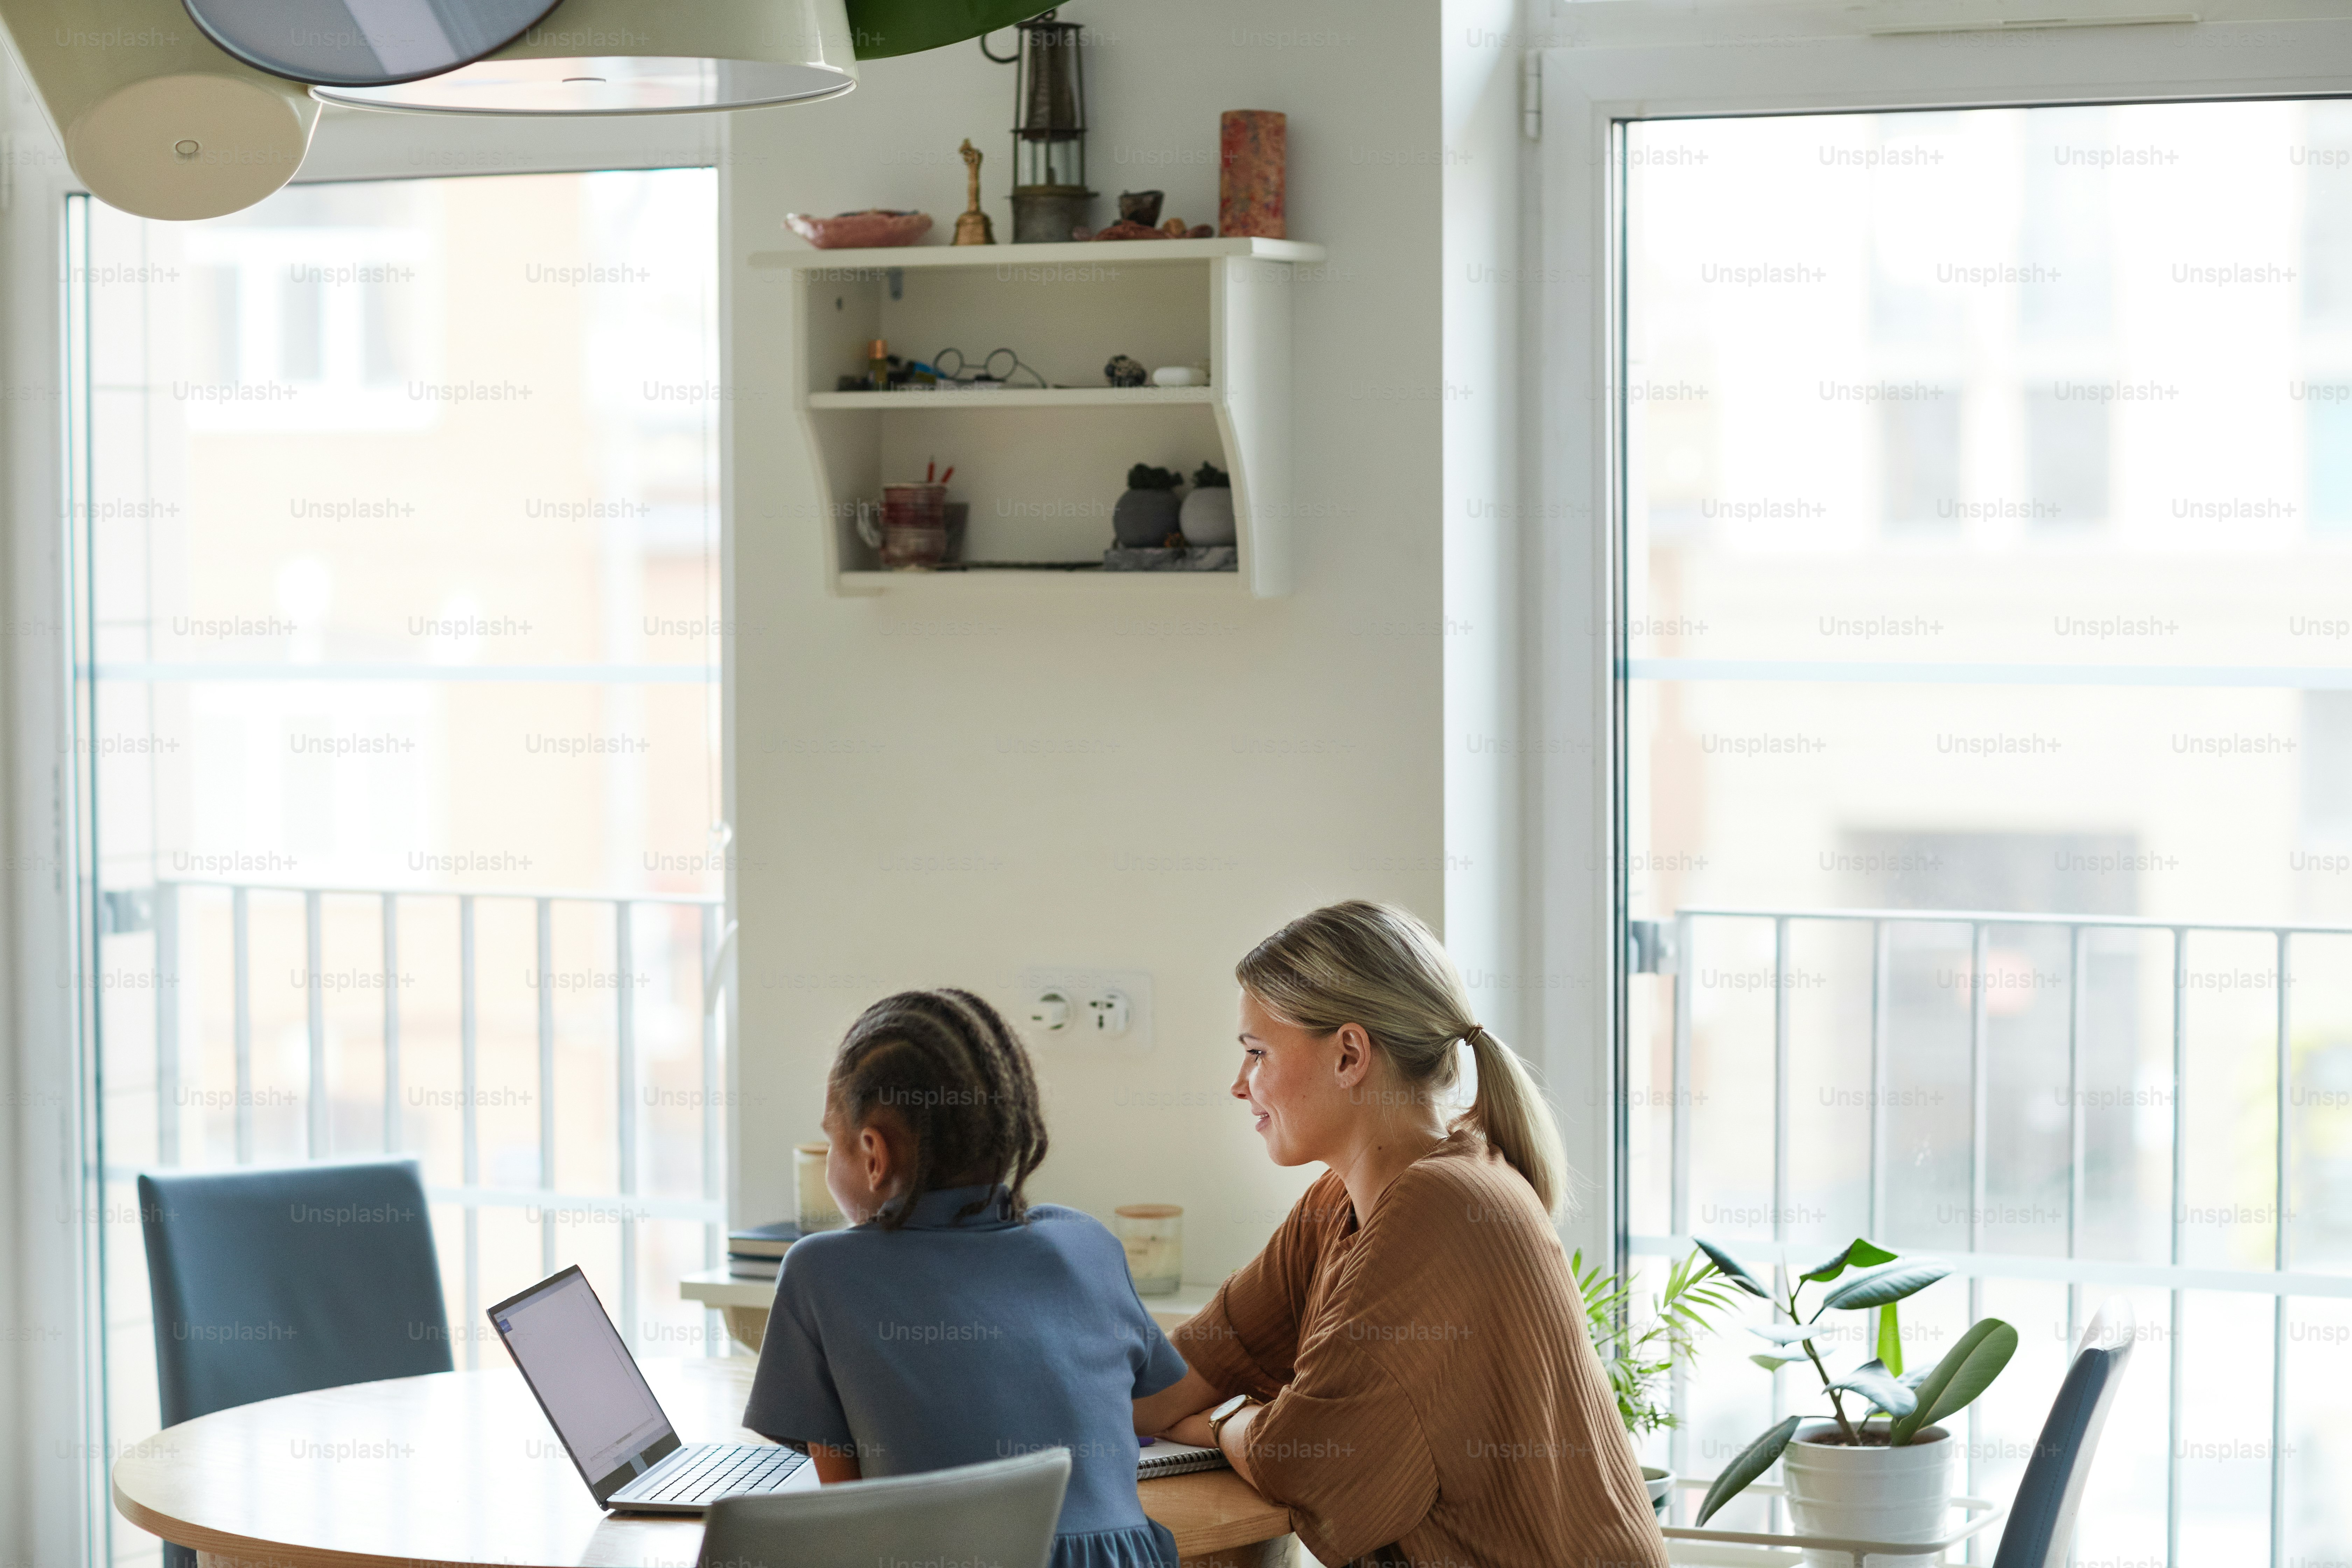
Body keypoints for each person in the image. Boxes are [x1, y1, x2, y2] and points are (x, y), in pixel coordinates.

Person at [1134, 901, 1671, 1568]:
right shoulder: (1340, 1202)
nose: (1239, 1085)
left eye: (1257, 1053)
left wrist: (1211, 1426)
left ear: (1350, 1054)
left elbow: (1307, 1462)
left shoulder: (1443, 1206)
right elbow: (1184, 1373)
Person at [743, 988, 1185, 1568]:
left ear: (873, 1154)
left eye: (833, 1140)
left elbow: (848, 1522)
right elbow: (1153, 1401)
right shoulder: (1089, 1245)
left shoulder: (820, 1271)